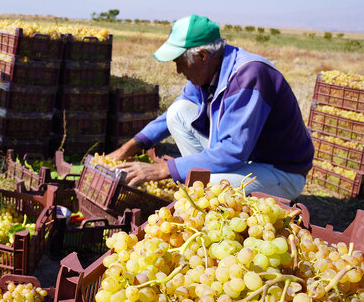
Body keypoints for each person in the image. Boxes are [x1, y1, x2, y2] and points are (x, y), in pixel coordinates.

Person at [108, 14, 313, 200]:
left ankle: (200, 183)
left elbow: (233, 151)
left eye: (180, 62)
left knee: (204, 189)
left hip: (280, 171)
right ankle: (198, 177)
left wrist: (164, 170)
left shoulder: (248, 76)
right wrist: (125, 149)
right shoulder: (207, 75)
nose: (178, 70)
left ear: (203, 56)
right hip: (245, 161)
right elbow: (166, 120)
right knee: (177, 113)